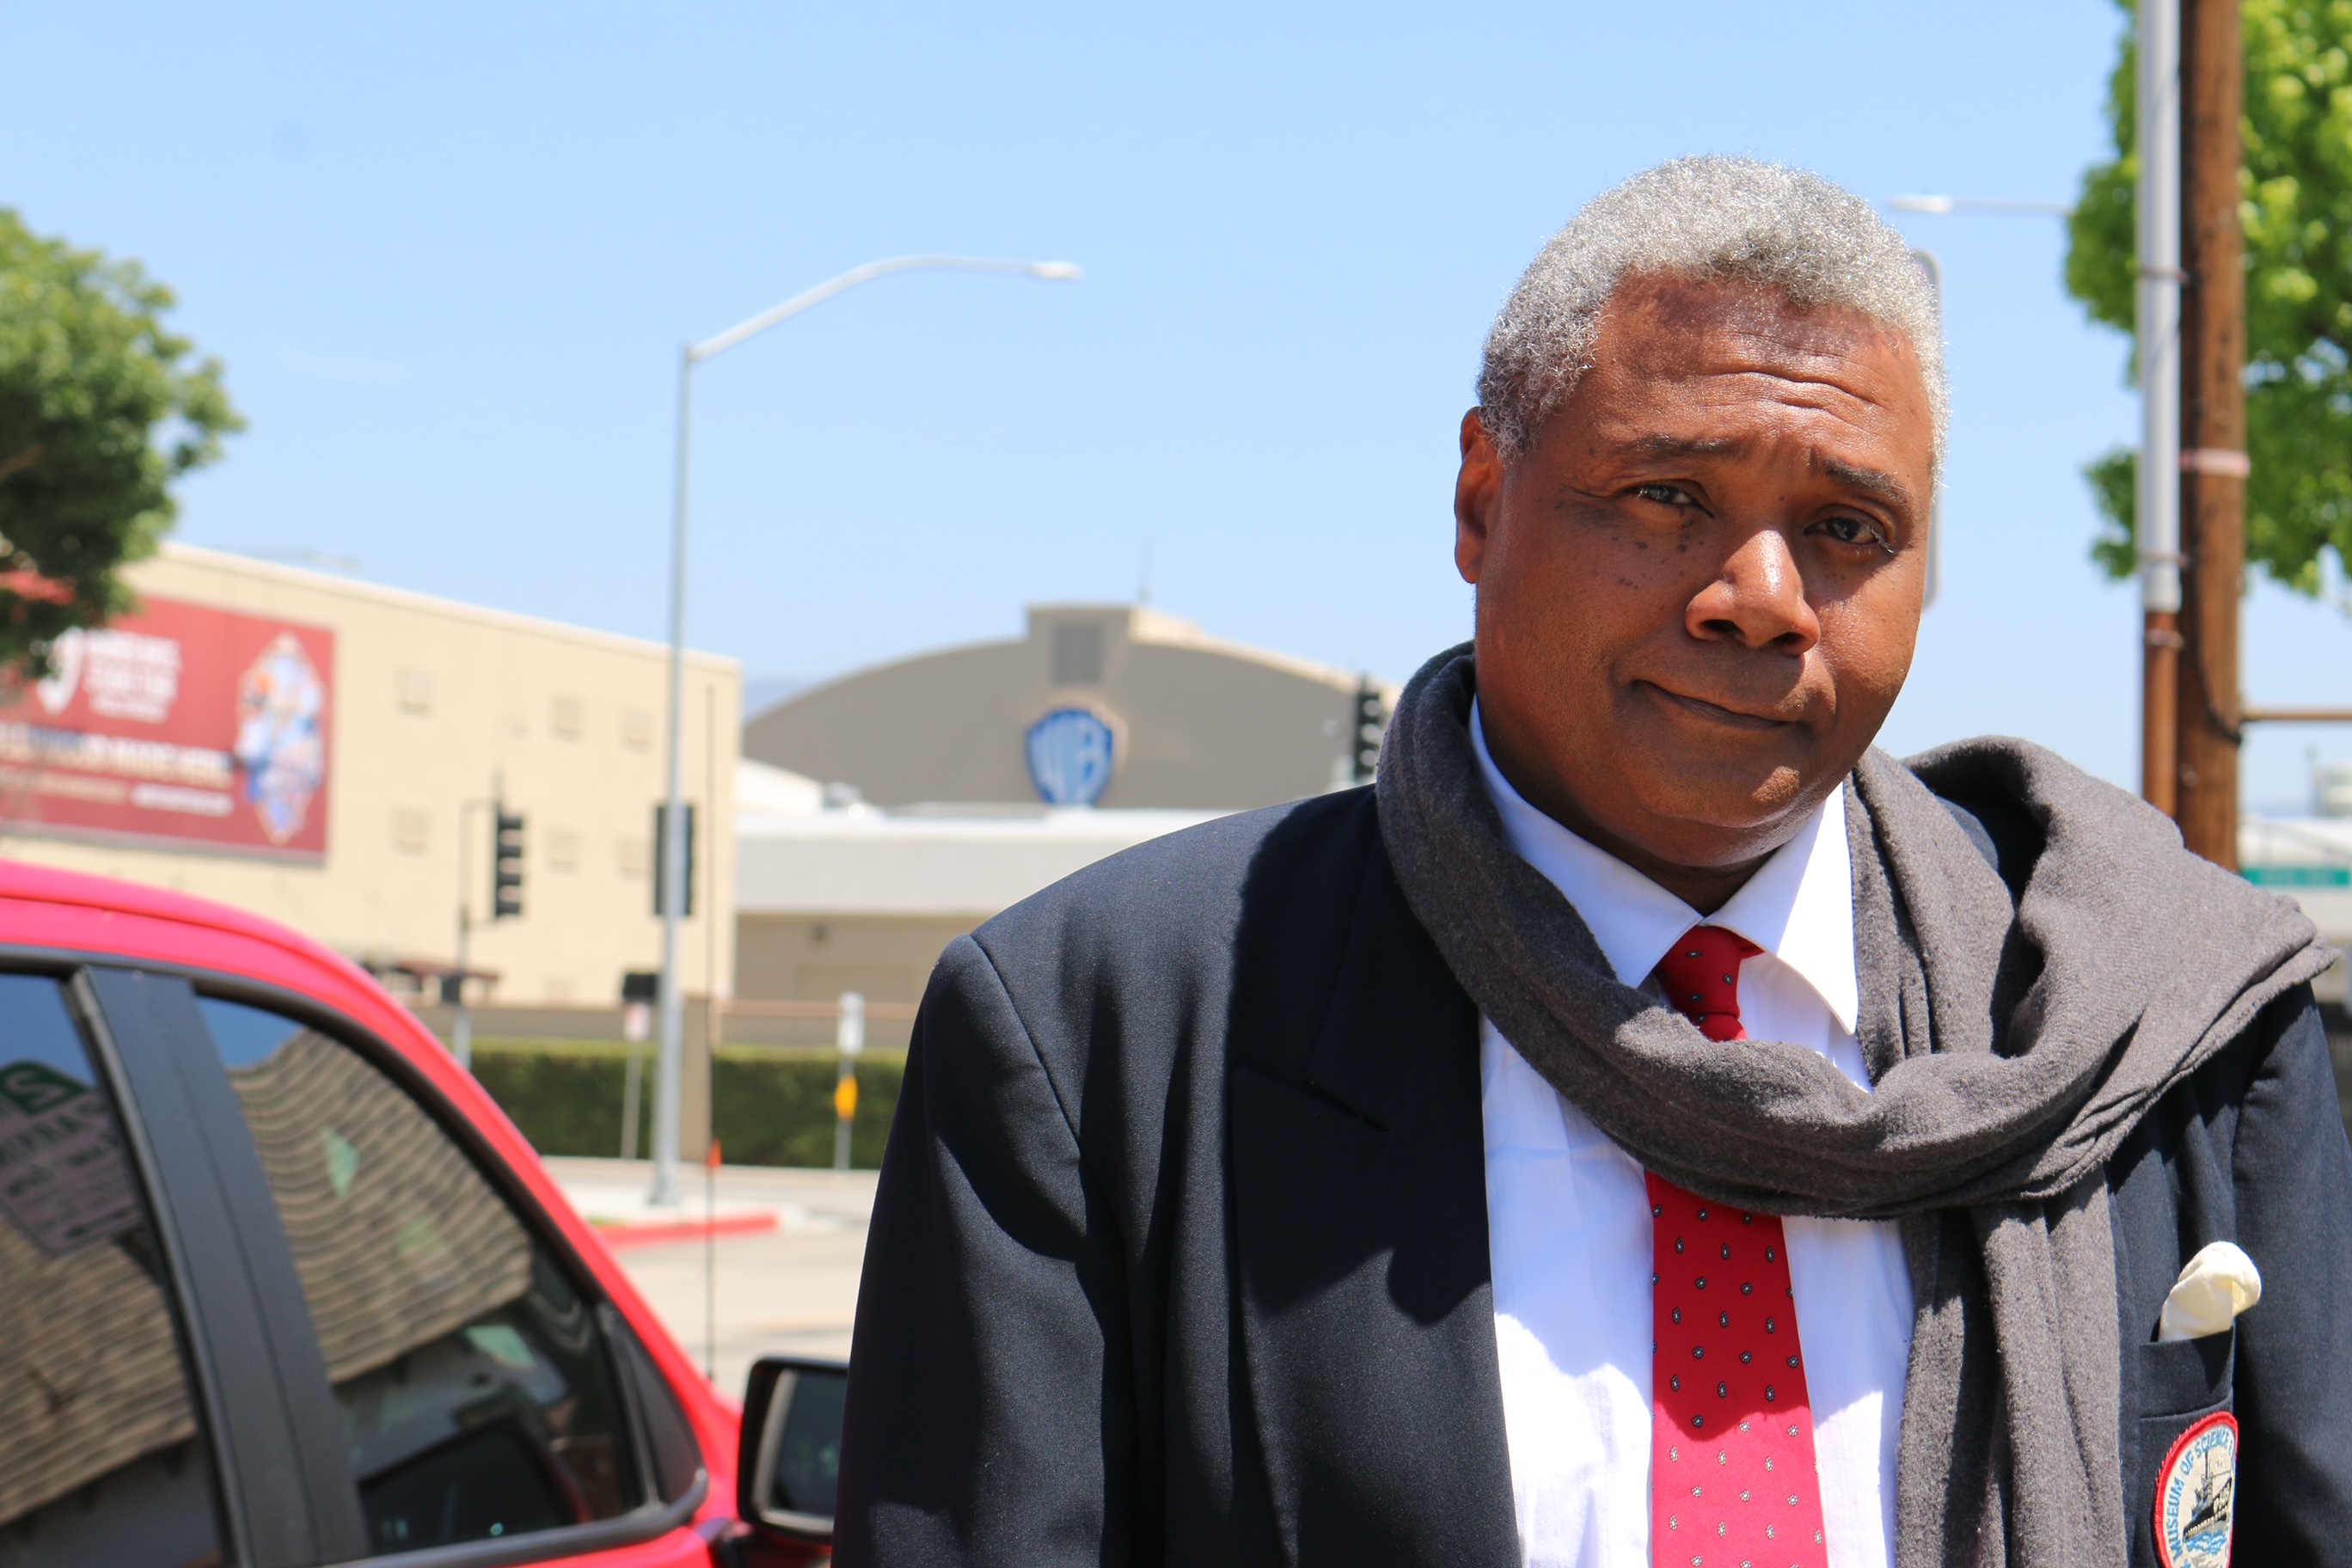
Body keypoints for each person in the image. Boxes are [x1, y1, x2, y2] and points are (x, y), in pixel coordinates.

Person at [832, 157, 2352, 1568]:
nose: (1761, 597)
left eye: (1844, 525)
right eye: (1669, 495)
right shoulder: (1098, 1037)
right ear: (1483, 500)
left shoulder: (2171, 1030)